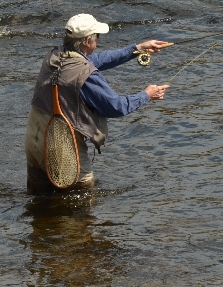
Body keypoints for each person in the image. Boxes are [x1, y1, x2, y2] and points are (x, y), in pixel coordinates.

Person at [26, 13, 172, 193]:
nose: (99, 41)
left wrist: (137, 48)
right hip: (63, 147)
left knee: (39, 198)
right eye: (97, 37)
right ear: (88, 41)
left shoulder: (55, 56)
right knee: (82, 198)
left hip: (34, 141)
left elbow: (98, 60)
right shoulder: (86, 74)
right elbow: (116, 107)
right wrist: (147, 95)